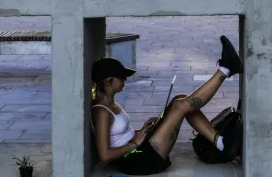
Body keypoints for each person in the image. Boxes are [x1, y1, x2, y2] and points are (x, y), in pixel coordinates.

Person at [91, 36, 243, 175]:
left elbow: (117, 136)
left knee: (180, 99)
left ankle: (221, 143)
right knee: (180, 106)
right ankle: (226, 69)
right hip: (138, 160)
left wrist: (141, 131)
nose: (124, 80)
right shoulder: (101, 112)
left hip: (140, 148)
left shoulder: (110, 104)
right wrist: (134, 143)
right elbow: (105, 155)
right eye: (121, 77)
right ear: (108, 81)